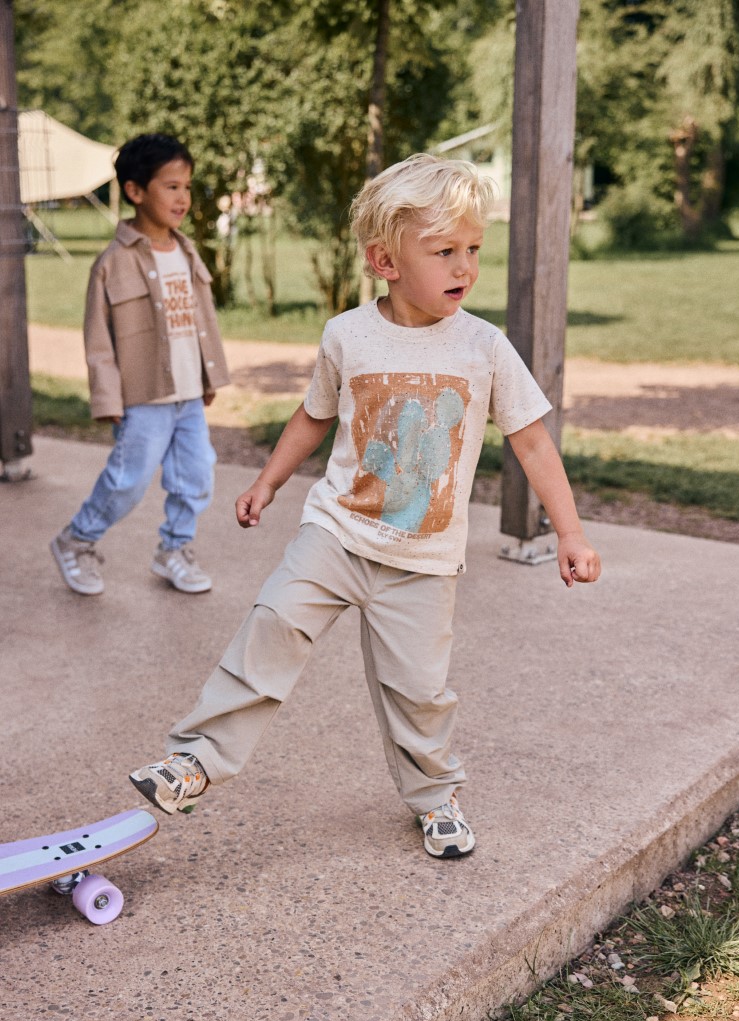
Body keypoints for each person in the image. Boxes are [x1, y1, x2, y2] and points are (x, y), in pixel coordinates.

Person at [129, 153, 601, 858]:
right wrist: (269, 482)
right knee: (273, 623)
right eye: (444, 251)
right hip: (336, 533)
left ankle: (435, 798)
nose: (465, 267)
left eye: (473, 249)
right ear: (385, 261)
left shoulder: (484, 346)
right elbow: (313, 416)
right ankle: (194, 761)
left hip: (424, 561)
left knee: (419, 693)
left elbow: (531, 442)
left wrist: (570, 532)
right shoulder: (347, 335)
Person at [50, 133, 229, 596]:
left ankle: (174, 550)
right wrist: (108, 399)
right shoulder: (112, 264)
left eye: (186, 187)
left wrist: (208, 377)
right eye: (171, 187)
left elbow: (202, 322)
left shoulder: (187, 252)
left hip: (187, 396)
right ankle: (76, 541)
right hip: (143, 397)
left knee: (196, 477)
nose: (183, 198)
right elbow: (98, 342)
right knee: (127, 482)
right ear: (135, 191)